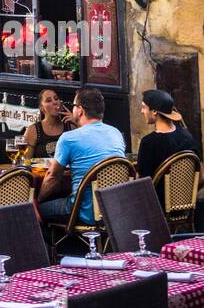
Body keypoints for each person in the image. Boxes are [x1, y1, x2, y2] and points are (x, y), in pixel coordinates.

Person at [38, 86, 126, 224]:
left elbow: (52, 178)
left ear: (80, 110)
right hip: (115, 210)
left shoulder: (69, 138)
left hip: (84, 212)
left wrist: (38, 199)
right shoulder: (116, 133)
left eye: (73, 106)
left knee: (34, 210)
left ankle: (55, 245)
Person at [136, 89, 199, 185]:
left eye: (144, 107)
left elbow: (142, 184)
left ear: (154, 111)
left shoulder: (148, 142)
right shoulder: (187, 136)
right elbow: (201, 177)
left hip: (157, 200)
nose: (141, 111)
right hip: (186, 199)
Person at [22, 88, 76, 159]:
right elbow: (26, 161)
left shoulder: (71, 127)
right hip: (40, 170)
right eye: (49, 100)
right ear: (42, 108)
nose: (55, 102)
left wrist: (76, 121)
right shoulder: (33, 130)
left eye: (56, 99)